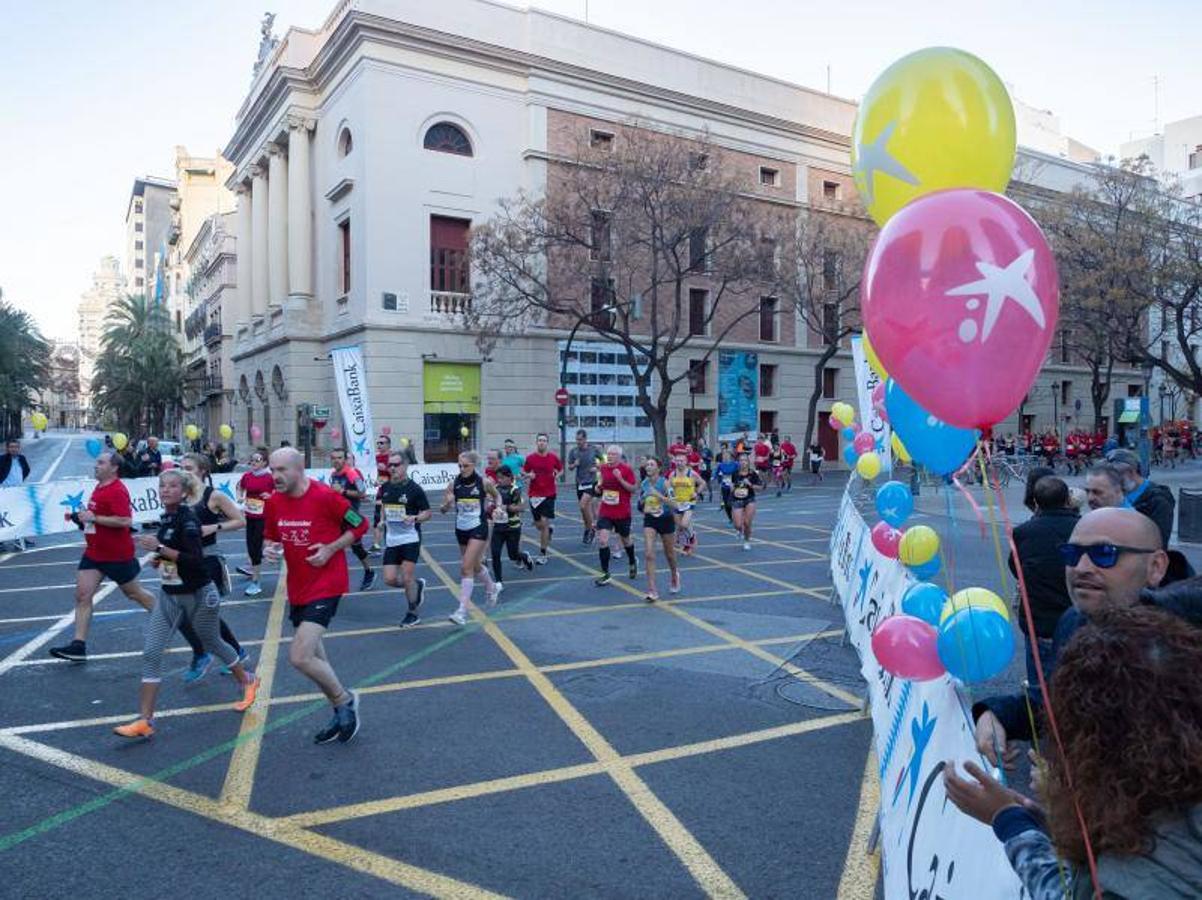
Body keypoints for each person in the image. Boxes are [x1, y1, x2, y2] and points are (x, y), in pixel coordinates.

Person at [945, 606, 1202, 899]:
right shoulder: (1168, 784)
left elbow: (1063, 892)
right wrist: (1045, 820)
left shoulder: (1139, 883)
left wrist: (1009, 821)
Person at [972, 507, 1170, 768]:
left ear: (1155, 566)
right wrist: (996, 714)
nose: (1081, 567)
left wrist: (1067, 789)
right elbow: (1055, 705)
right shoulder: (1073, 621)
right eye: (1072, 554)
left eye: (1105, 554)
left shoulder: (1182, 647)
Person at [113, 469, 259, 738]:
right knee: (151, 653)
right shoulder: (167, 520)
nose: (165, 490)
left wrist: (158, 549)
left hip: (200, 594)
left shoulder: (188, 520)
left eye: (171, 486)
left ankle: (247, 679)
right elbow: (172, 555)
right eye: (161, 485)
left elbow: (194, 559)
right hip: (169, 595)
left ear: (183, 492)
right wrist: (161, 559)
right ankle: (145, 720)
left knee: (213, 642)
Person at [264, 447, 368, 744]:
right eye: (273, 470)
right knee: (315, 659)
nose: (276, 476)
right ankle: (338, 711)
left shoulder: (325, 496)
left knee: (299, 656)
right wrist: (269, 549)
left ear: (300, 469)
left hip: (327, 582)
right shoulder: (274, 502)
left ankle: (344, 700)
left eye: (282, 470)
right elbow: (271, 536)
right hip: (298, 585)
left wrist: (330, 549)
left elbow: (360, 525)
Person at [49, 450, 157, 661]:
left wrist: (95, 518)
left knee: (135, 594)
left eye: (101, 463)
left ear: (114, 468)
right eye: (97, 462)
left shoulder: (117, 490)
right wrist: (82, 519)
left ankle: (168, 617)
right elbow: (96, 518)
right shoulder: (99, 487)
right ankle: (78, 646)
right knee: (82, 596)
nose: (95, 465)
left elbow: (125, 521)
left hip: (117, 554)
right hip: (94, 552)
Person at [177, 453, 248, 682]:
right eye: (181, 467)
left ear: (202, 471)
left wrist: (213, 527)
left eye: (189, 468)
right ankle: (230, 652)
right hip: (182, 561)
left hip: (208, 560)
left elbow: (240, 520)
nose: (183, 471)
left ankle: (209, 653)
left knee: (203, 614)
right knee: (184, 613)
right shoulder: (179, 495)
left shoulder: (213, 496)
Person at [1008, 476, 1078, 703]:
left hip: (1039, 620)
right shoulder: (1083, 527)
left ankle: (1042, 727)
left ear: (1036, 503)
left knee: (1039, 684)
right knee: (1075, 681)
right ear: (1068, 500)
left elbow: (1015, 567)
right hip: (1076, 617)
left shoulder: (1024, 532)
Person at [440, 451, 501, 623]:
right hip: (461, 529)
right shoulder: (453, 484)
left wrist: (498, 508)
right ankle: (491, 587)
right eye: (459, 465)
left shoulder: (483, 482)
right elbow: (443, 510)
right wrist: (448, 503)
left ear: (474, 465)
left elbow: (498, 496)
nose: (462, 469)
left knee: (465, 567)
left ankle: (461, 611)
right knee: (474, 566)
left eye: (465, 466)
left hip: (478, 527)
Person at [375, 453, 432, 629]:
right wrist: (382, 521)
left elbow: (427, 513)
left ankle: (413, 613)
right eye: (390, 465)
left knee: (407, 577)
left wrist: (415, 518)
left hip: (410, 538)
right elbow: (384, 506)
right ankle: (416, 586)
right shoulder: (384, 488)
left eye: (396, 464)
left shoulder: (415, 489)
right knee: (390, 580)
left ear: (405, 466)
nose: (392, 468)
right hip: (392, 539)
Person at [1106, 448, 1176, 549]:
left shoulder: (1158, 500)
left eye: (1115, 477)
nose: (1111, 482)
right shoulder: (1119, 493)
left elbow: (1158, 542)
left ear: (1130, 472)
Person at [329, 448, 376, 592]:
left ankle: (369, 572)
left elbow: (363, 493)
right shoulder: (333, 474)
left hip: (352, 515)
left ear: (344, 459)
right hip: (337, 515)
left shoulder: (351, 473)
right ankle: (333, 579)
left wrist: (343, 491)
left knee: (356, 547)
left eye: (339, 457)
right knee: (332, 545)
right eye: (334, 458)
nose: (337, 460)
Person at [593, 444, 638, 587]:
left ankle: (632, 561)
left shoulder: (626, 470)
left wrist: (620, 479)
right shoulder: (604, 468)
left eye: (613, 454)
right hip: (606, 511)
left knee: (626, 540)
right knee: (602, 540)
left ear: (619, 456)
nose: (610, 457)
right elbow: (601, 485)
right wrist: (598, 488)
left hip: (622, 511)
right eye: (609, 454)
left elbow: (633, 489)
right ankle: (605, 573)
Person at [489, 465, 535, 597]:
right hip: (498, 526)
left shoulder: (515, 490)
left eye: (502, 478)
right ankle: (498, 582)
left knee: (512, 555)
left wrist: (506, 507)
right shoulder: (495, 489)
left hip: (512, 527)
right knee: (495, 553)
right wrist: (491, 507)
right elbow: (491, 503)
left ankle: (524, 557)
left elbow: (521, 507)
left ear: (509, 477)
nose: (499, 480)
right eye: (498, 478)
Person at [639, 458, 680, 602]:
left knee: (669, 554)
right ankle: (652, 590)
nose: (648, 467)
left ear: (658, 468)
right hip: (650, 519)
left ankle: (674, 574)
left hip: (666, 519)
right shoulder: (644, 484)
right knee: (649, 553)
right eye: (647, 465)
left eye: (652, 465)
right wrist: (643, 502)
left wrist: (659, 496)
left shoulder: (666, 483)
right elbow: (641, 504)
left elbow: (675, 504)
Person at [235, 447, 274, 596]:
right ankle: (255, 570)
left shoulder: (270, 478)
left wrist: (270, 496)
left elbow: (280, 493)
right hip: (250, 515)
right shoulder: (247, 476)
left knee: (256, 548)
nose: (253, 462)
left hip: (264, 516)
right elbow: (240, 487)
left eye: (257, 459)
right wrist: (240, 496)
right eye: (252, 459)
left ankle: (256, 581)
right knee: (251, 547)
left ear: (264, 462)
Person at [521, 432, 562, 566]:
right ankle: (548, 530)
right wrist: (529, 475)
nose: (541, 442)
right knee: (539, 525)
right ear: (536, 442)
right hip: (534, 495)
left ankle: (543, 553)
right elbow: (523, 471)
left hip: (549, 494)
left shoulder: (553, 457)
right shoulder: (531, 458)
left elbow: (561, 470)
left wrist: (557, 475)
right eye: (539, 440)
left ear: (547, 443)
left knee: (544, 522)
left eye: (544, 440)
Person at [568, 429, 602, 544]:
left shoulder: (593, 449)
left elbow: (603, 462)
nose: (578, 442)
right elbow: (570, 467)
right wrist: (574, 465)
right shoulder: (573, 451)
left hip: (591, 482)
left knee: (583, 506)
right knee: (584, 510)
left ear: (585, 439)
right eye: (577, 440)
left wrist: (597, 467)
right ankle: (588, 529)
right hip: (579, 482)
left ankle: (591, 527)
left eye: (580, 440)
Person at [668, 452, 705, 556]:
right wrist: (670, 497)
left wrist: (697, 492)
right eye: (677, 461)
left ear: (686, 462)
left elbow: (703, 483)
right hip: (677, 503)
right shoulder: (672, 474)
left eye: (682, 461)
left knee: (684, 524)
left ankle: (692, 537)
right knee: (680, 527)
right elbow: (669, 487)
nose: (679, 463)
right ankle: (686, 545)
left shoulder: (691, 473)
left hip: (689, 502)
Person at [1, 437, 32, 551]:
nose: (14, 449)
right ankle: (1, 541)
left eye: (16, 447)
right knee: (4, 517)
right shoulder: (2, 459)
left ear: (19, 448)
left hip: (18, 491)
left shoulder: (21, 458)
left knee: (19, 515)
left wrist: (19, 481)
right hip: (4, 492)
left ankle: (19, 539)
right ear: (7, 448)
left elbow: (26, 470)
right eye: (11, 447)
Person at [730, 454, 764, 551]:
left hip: (749, 499)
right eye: (741, 460)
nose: (743, 462)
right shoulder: (735, 473)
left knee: (747, 523)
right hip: (737, 499)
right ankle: (739, 530)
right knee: (737, 524)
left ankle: (747, 541)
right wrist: (731, 488)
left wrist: (751, 484)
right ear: (738, 462)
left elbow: (760, 488)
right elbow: (732, 486)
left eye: (745, 460)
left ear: (748, 462)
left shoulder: (752, 474)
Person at [715, 449, 739, 524]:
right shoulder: (720, 465)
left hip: (733, 486)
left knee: (733, 502)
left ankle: (737, 516)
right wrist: (716, 478)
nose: (724, 457)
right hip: (724, 486)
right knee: (726, 504)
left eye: (726, 455)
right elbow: (716, 474)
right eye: (723, 456)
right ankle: (730, 518)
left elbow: (739, 473)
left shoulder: (735, 464)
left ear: (730, 456)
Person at [697, 437, 714, 503]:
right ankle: (700, 494)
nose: (700, 442)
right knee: (699, 481)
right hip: (700, 468)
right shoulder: (699, 450)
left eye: (701, 440)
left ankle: (710, 494)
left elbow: (712, 458)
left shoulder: (708, 450)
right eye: (699, 441)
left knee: (708, 481)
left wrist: (706, 457)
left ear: (704, 441)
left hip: (707, 468)